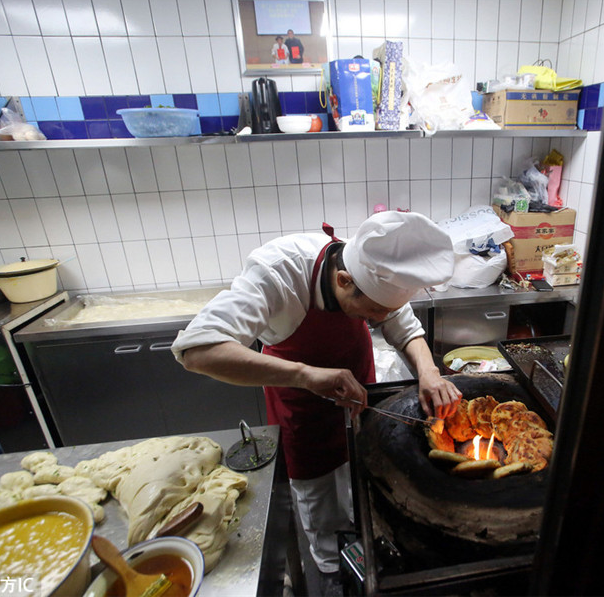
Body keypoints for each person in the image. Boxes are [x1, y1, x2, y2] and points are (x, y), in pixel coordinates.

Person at [171, 211, 461, 579]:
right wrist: (305, 375)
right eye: (372, 312)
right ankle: (333, 570)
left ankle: (366, 543)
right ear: (343, 280)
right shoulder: (277, 273)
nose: (377, 320)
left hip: (357, 386)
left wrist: (429, 372)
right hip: (301, 402)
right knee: (320, 495)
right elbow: (198, 351)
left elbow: (401, 324)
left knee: (364, 472)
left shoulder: (367, 274)